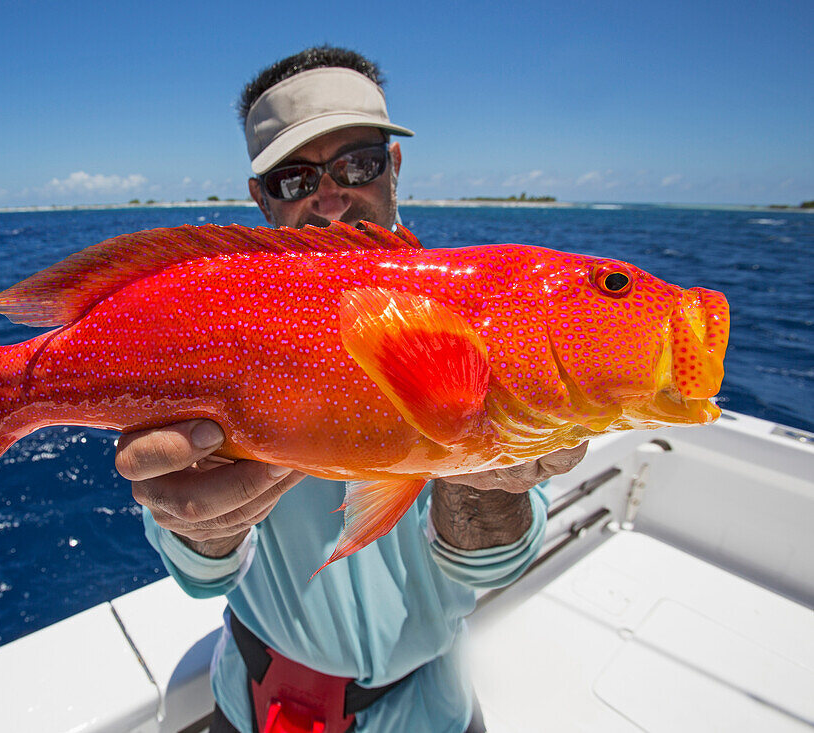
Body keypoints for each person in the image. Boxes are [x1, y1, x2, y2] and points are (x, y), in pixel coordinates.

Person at [117, 47, 586, 733]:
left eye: (357, 164)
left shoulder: (479, 315)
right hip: (256, 701)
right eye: (293, 177)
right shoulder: (212, 332)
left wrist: (479, 471)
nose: (329, 196)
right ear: (259, 196)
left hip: (431, 708)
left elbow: (495, 561)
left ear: (393, 168)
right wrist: (201, 528)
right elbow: (201, 578)